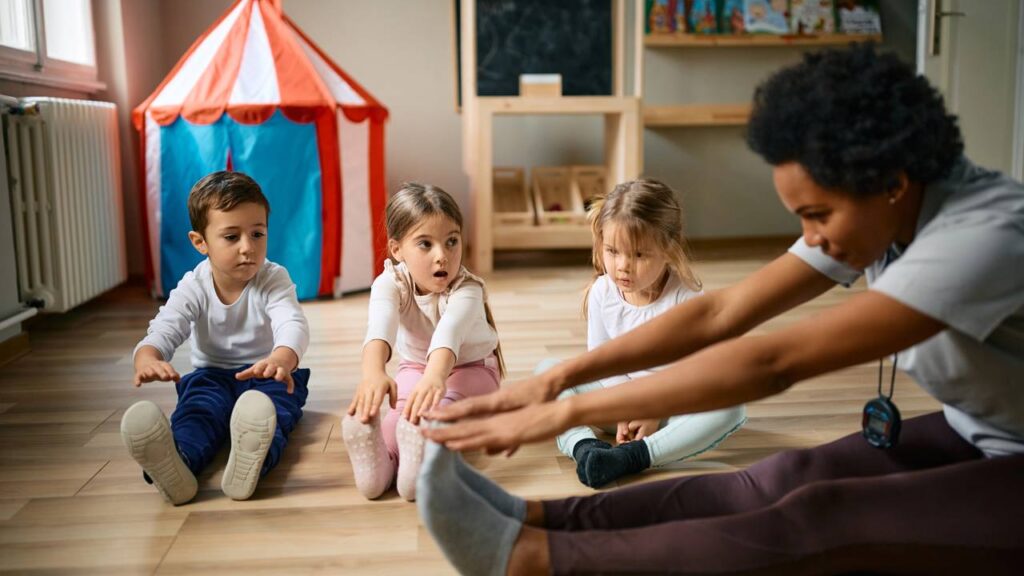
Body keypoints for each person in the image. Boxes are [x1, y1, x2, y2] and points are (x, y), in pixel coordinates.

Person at [416, 44, 1024, 575]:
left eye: (817, 215)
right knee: (783, 477)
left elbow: (775, 361)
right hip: (979, 430)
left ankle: (536, 563)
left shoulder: (983, 239)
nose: (810, 239)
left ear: (892, 181)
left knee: (824, 515)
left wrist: (568, 409)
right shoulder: (894, 210)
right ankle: (539, 520)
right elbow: (720, 315)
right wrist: (556, 379)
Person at [121, 171, 310, 505]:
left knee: (274, 410)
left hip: (267, 372)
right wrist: (147, 356)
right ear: (200, 242)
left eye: (257, 234)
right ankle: (180, 462)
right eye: (232, 237)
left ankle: (253, 463)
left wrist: (281, 358)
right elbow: (167, 326)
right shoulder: (194, 286)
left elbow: (291, 322)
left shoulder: (273, 278)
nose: (248, 247)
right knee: (197, 414)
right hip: (210, 377)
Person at [551, 178, 745, 488]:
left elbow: (693, 373)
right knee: (549, 372)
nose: (623, 266)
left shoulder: (686, 300)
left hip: (671, 410)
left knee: (731, 408)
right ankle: (585, 448)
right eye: (612, 251)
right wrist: (628, 405)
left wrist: (654, 409)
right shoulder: (603, 291)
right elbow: (601, 361)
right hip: (620, 405)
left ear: (669, 250)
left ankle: (634, 456)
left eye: (639, 255)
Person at [343, 183, 506, 501]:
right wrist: (373, 373)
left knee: (441, 407)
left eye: (451, 241)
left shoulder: (468, 290)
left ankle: (419, 463)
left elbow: (449, 333)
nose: (442, 256)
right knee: (399, 416)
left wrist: (434, 377)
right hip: (415, 368)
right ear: (396, 249)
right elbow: (380, 326)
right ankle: (378, 471)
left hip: (474, 370)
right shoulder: (389, 283)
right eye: (425, 244)